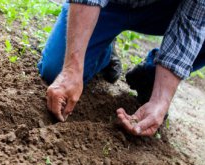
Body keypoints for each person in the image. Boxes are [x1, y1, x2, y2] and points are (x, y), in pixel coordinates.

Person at [37, 0, 205, 136]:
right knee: (55, 70)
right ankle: (104, 51)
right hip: (109, 5)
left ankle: (151, 78)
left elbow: (193, 24)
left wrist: (160, 100)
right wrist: (71, 70)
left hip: (164, 10)